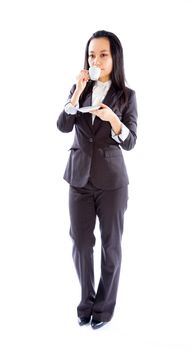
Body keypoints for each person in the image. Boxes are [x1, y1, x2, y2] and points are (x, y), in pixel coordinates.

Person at [57, 30, 138, 329]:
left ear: (114, 58)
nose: (97, 60)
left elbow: (130, 141)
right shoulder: (79, 89)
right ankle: (86, 301)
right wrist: (77, 92)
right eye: (92, 54)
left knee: (111, 246)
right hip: (78, 177)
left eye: (103, 54)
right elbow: (63, 125)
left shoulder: (127, 96)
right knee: (80, 243)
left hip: (112, 182)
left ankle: (104, 308)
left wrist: (113, 120)